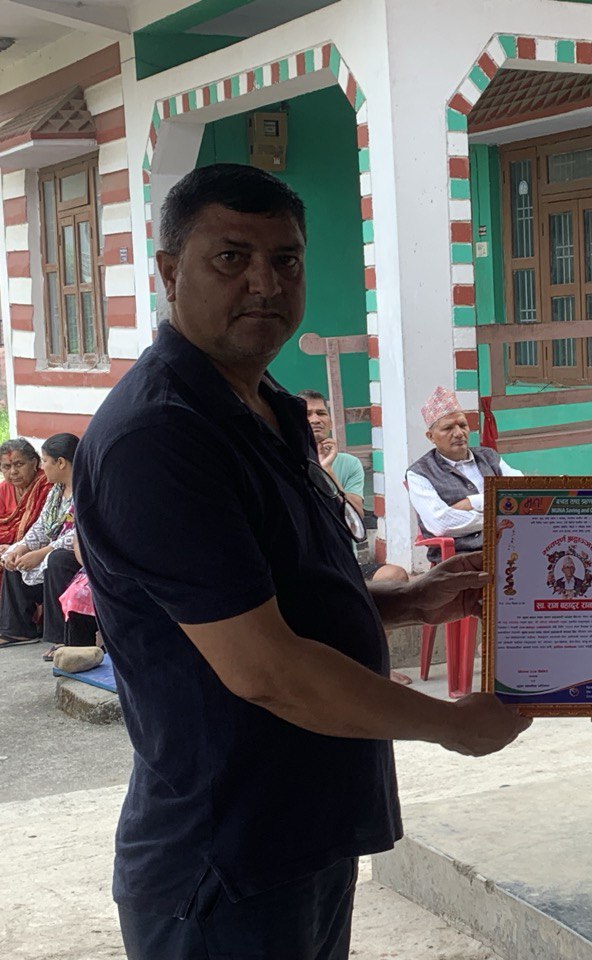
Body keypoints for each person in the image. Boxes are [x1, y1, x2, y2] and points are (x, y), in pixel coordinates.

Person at [74, 163, 531, 960]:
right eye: (232, 257)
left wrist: (405, 601)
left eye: (285, 259)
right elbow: (266, 669)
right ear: (169, 273)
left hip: (303, 828)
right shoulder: (160, 438)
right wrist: (453, 726)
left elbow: (273, 598)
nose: (264, 283)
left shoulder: (267, 408)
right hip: (223, 859)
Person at [299, 388, 408, 582]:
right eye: (307, 414)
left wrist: (328, 471)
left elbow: (355, 516)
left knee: (394, 576)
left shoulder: (349, 464)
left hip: (345, 561)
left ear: (330, 422)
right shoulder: (285, 462)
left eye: (321, 413)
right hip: (303, 562)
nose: (315, 419)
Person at [407, 386, 521, 562]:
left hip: (509, 547)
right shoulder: (419, 473)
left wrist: (471, 503)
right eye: (448, 428)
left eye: (462, 425)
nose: (459, 433)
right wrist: (500, 515)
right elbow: (441, 524)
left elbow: (522, 490)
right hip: (462, 557)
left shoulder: (488, 457)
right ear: (431, 436)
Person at [0, 433, 81, 653]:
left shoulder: (85, 489)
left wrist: (41, 553)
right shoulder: (56, 491)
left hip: (77, 554)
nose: (42, 468)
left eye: (44, 461)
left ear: (61, 463)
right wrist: (22, 548)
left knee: (57, 560)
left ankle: (62, 638)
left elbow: (78, 535)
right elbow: (41, 526)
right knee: (14, 558)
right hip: (52, 549)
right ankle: (17, 630)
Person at [0, 438, 52, 549]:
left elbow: (46, 530)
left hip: (33, 549)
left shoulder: (47, 486)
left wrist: (13, 548)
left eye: (19, 464)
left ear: (34, 463)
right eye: (6, 467)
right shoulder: (4, 488)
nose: (13, 472)